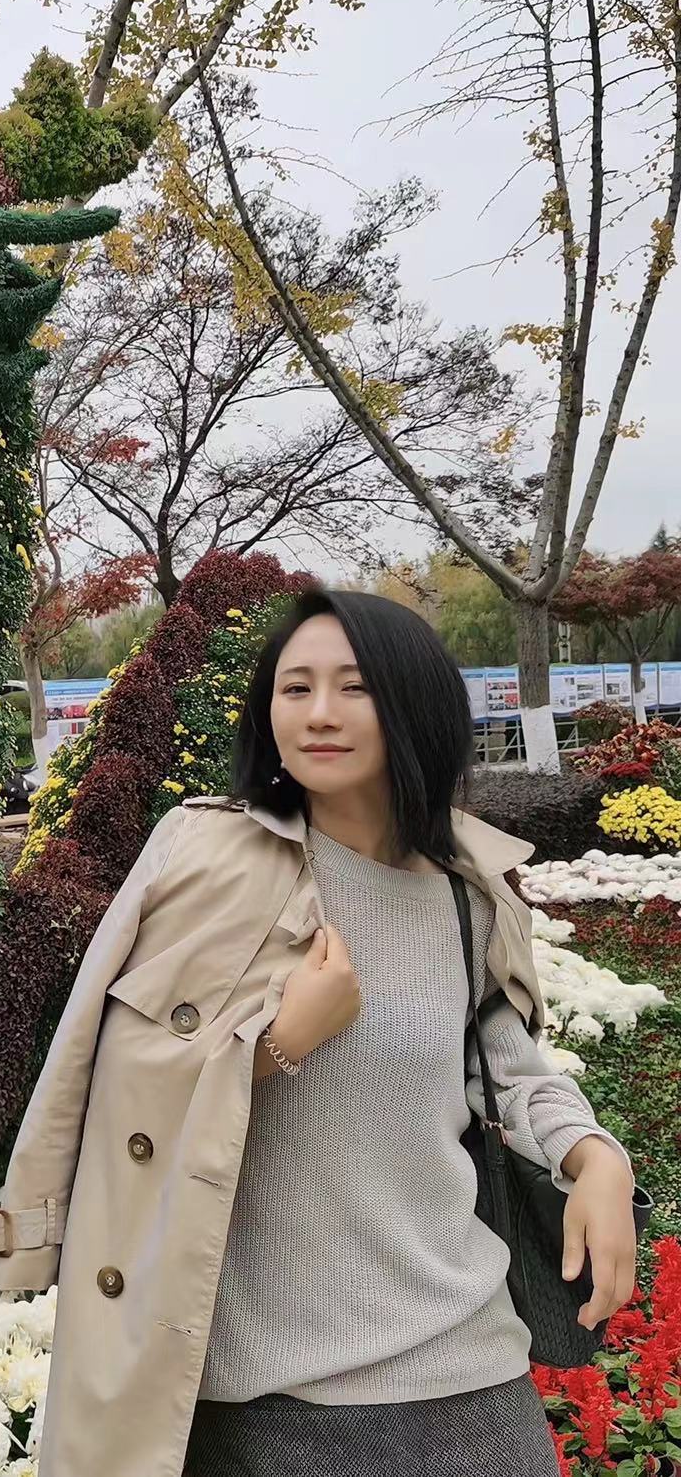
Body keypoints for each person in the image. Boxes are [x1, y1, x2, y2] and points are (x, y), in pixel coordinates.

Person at [181, 587, 639, 1477]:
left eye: (354, 687)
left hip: (466, 1362)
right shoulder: (210, 868)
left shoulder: (468, 896)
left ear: (414, 704)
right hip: (270, 1390)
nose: (319, 712)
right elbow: (128, 1094)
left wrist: (595, 1157)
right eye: (295, 687)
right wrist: (280, 1044)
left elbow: (510, 1071)